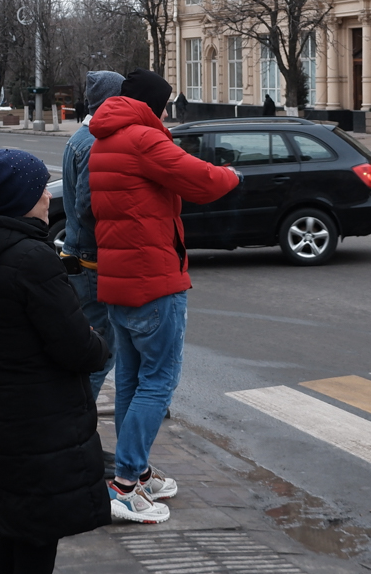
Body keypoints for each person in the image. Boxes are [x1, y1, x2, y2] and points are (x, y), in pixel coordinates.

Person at [89, 70, 241, 524]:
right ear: (155, 104)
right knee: (158, 382)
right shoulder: (142, 138)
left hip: (119, 281)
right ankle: (126, 483)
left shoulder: (104, 137)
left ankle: (134, 471)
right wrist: (232, 173)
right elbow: (204, 181)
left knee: (133, 382)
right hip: (154, 282)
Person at [0, 149, 111, 574]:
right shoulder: (30, 258)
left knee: (19, 533)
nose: (47, 196)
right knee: (37, 540)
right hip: (41, 424)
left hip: (3, 415)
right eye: (39, 187)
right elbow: (76, 346)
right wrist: (100, 342)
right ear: (20, 198)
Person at [60, 71, 123, 402]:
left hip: (80, 253)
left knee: (92, 344)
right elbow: (89, 207)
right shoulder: (94, 143)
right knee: (101, 352)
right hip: (92, 258)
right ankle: (76, 425)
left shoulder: (78, 138)